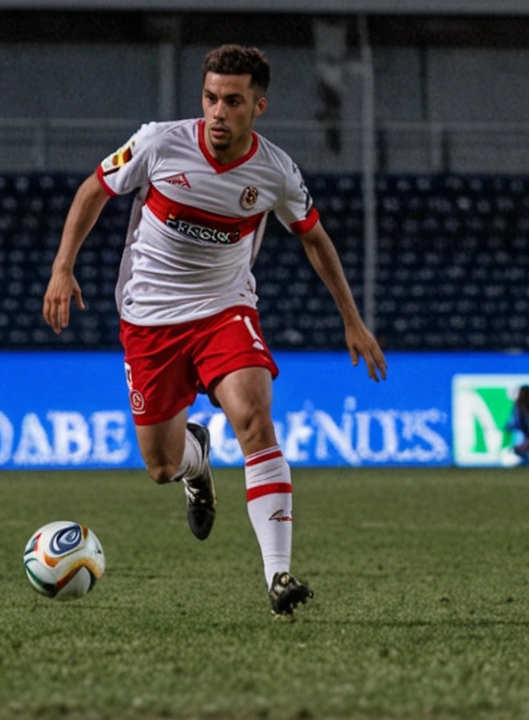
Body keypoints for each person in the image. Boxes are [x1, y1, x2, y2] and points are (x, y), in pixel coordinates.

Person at [41, 44, 387, 616]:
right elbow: (93, 190)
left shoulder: (275, 172)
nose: (218, 112)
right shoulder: (159, 143)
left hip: (225, 310)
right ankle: (196, 461)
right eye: (210, 98)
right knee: (159, 465)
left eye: (232, 101)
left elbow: (314, 237)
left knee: (254, 420)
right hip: (149, 316)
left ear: (259, 106)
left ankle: (279, 577)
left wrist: (351, 319)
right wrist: (62, 267)